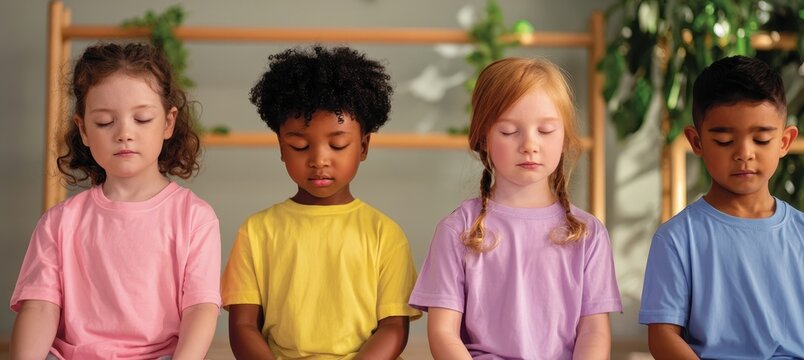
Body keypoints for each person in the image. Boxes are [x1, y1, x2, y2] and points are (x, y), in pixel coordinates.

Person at [640, 55, 804, 359]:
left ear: (785, 141)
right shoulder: (676, 239)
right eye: (723, 140)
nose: (744, 154)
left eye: (761, 139)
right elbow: (663, 337)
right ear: (697, 142)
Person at [10, 42, 220, 359]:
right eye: (105, 122)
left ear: (168, 123)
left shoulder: (195, 217)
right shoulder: (59, 222)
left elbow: (200, 309)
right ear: (83, 129)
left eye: (142, 119)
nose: (124, 133)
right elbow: (40, 308)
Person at [409, 57, 622, 359]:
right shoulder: (457, 230)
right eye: (509, 131)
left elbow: (595, 332)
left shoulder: (589, 234)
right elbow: (444, 333)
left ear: (564, 136)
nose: (529, 145)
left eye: (545, 130)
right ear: (483, 138)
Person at [221, 45, 421, 359]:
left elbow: (394, 328)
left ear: (363, 146)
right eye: (300, 146)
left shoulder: (385, 234)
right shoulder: (256, 231)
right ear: (281, 147)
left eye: (338, 145)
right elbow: (243, 326)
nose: (319, 160)